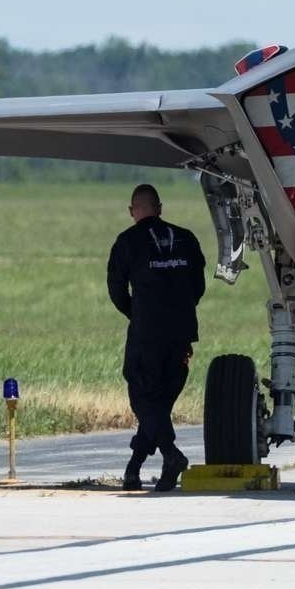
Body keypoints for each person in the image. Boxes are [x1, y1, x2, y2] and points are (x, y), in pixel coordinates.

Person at [107, 182, 207, 491]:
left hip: (147, 334)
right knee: (159, 402)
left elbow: (116, 290)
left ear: (132, 211)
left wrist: (138, 314)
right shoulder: (186, 238)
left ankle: (170, 454)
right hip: (181, 333)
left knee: (142, 397)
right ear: (159, 208)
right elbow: (198, 286)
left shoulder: (127, 241)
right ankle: (135, 467)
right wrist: (179, 311)